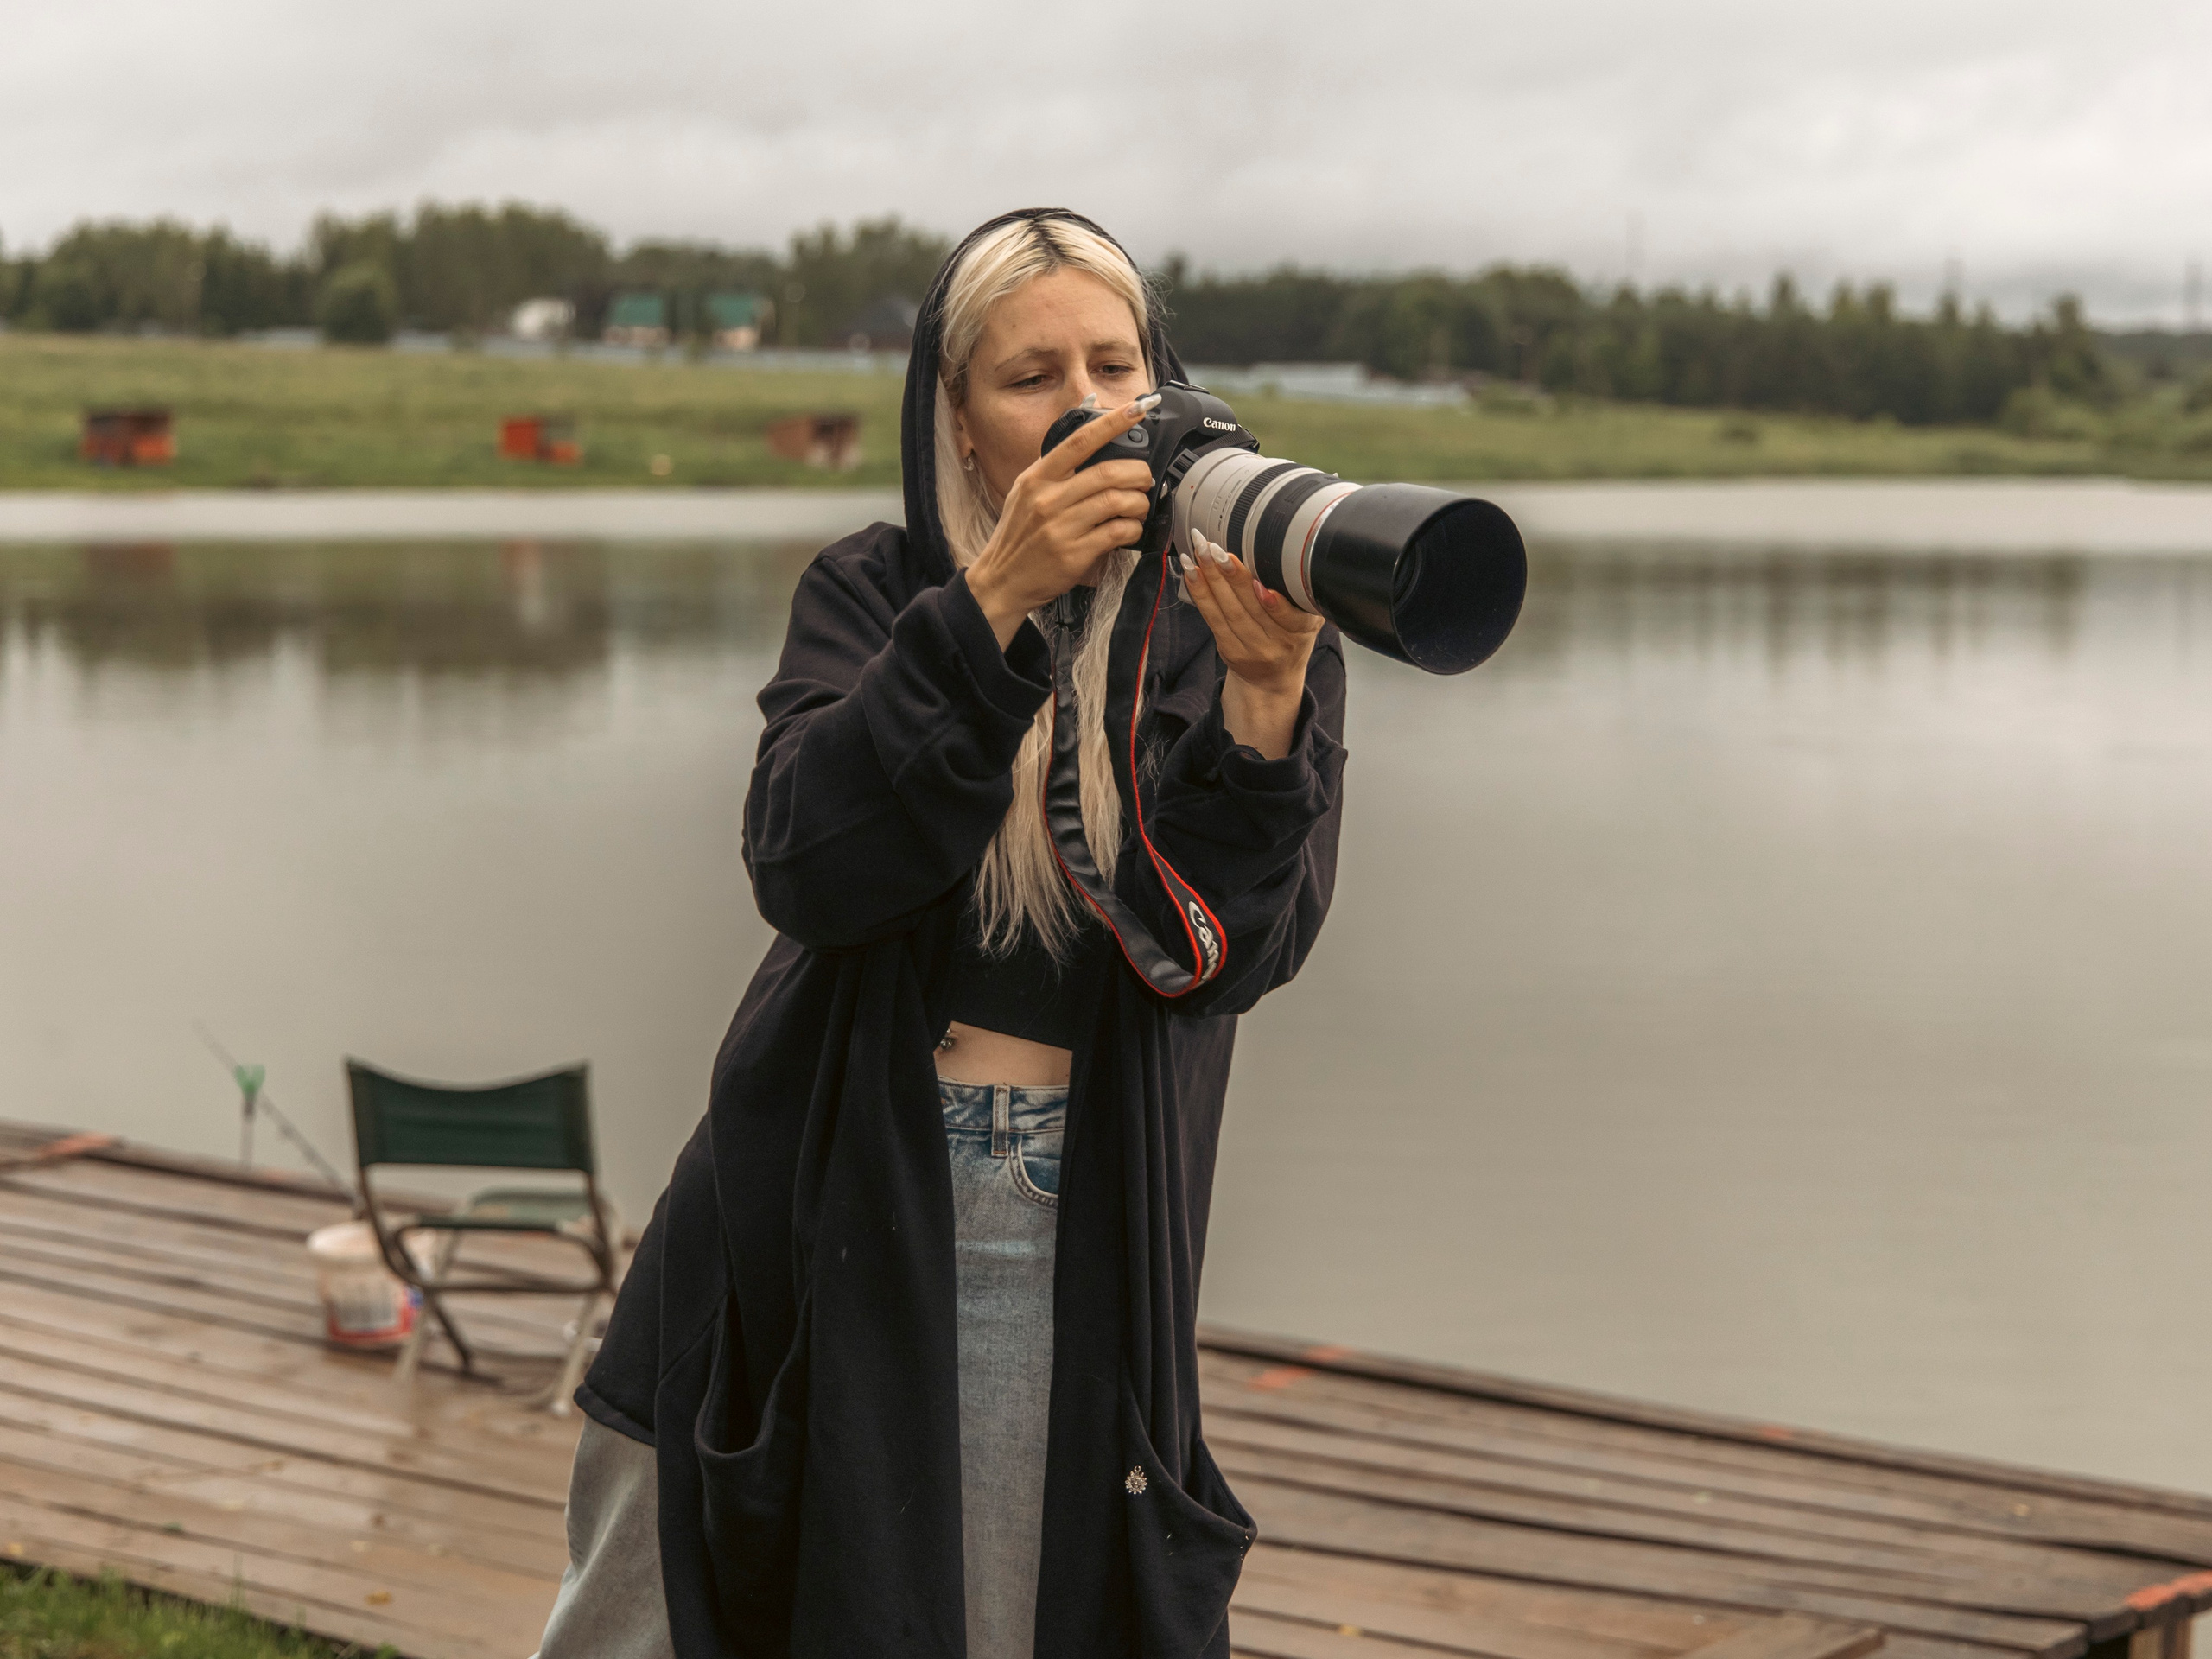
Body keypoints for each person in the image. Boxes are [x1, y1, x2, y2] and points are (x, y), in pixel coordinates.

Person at [535, 208, 1347, 1659]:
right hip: (816, 1170)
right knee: (660, 1605)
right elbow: (808, 866)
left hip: (1067, 1200)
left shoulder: (1232, 614)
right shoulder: (877, 594)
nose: (1088, 406)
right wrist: (993, 607)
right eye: (1032, 376)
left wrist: (1266, 712)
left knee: (991, 1617)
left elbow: (1232, 955)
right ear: (958, 424)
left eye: (1115, 365)